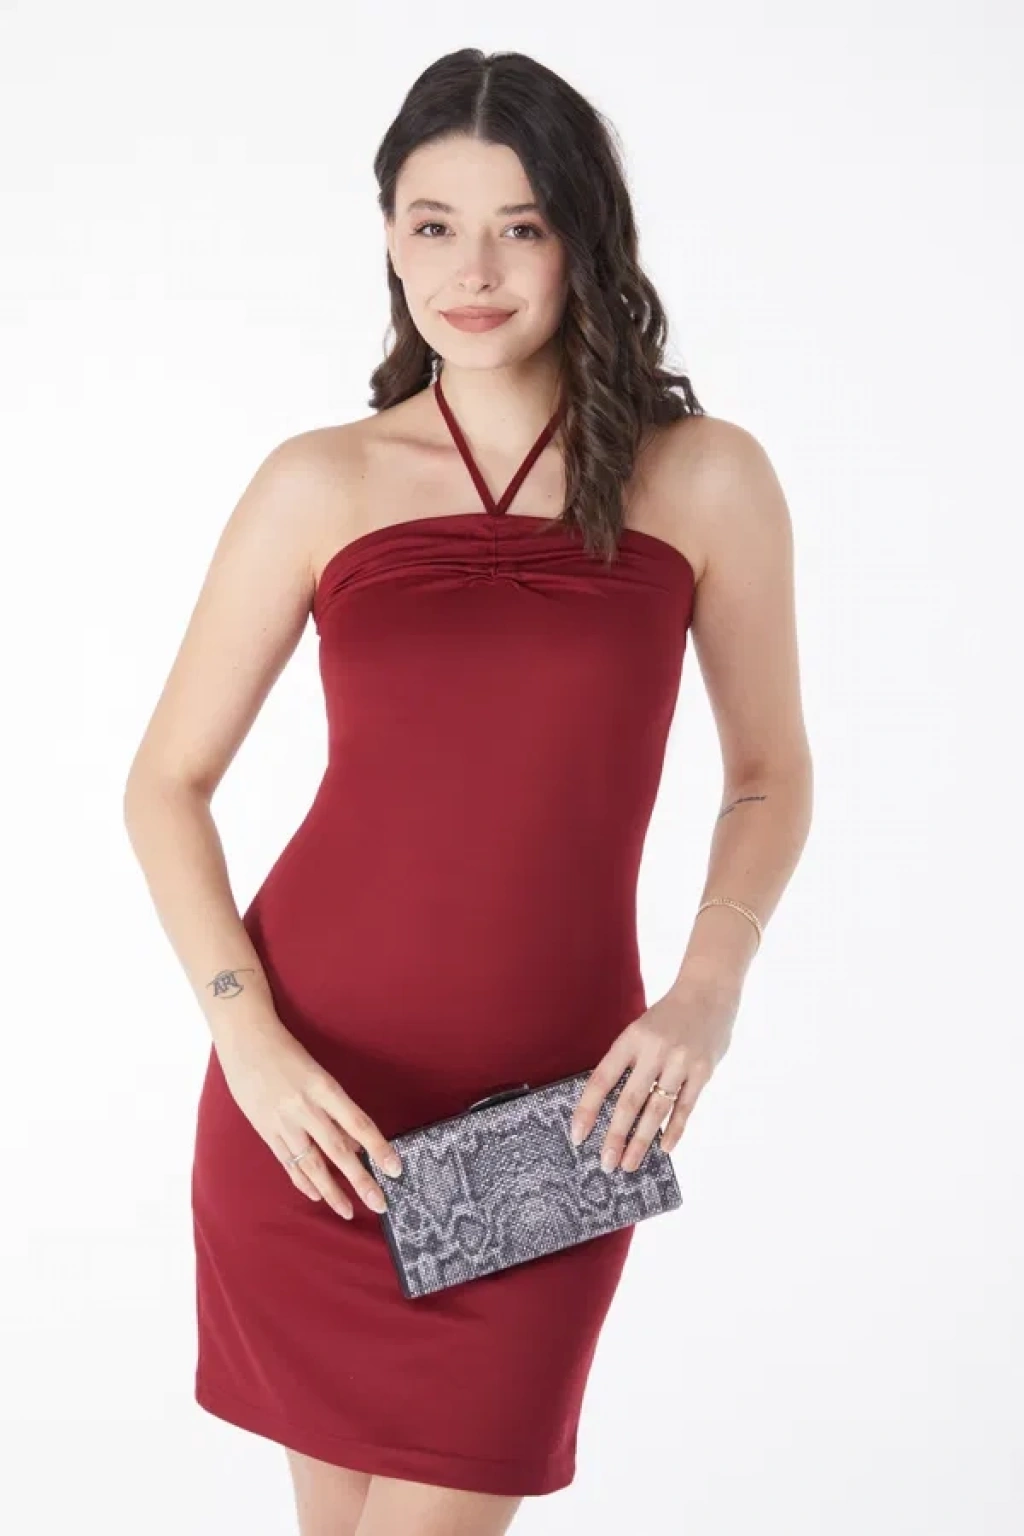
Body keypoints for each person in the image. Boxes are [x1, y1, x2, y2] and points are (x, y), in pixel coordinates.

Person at [123, 45, 813, 1536]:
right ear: (388, 235)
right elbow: (165, 783)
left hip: (559, 1121)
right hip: (314, 1116)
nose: (473, 270)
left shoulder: (705, 477)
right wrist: (249, 1041)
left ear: (583, 238)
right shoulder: (320, 481)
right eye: (433, 224)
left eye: (520, 226)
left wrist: (706, 992)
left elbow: (769, 771)